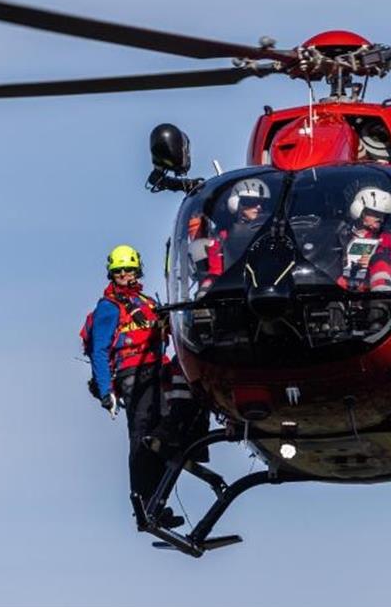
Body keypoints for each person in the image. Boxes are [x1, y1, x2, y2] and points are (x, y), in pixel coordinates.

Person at [86, 244, 185, 530]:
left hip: (158, 371)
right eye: (119, 272)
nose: (125, 275)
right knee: (142, 435)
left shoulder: (147, 302)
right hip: (134, 375)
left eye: (129, 270)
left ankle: (158, 502)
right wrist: (106, 391)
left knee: (169, 434)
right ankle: (144, 502)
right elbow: (99, 350)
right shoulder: (109, 307)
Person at [202, 178, 272, 290]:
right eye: (251, 201)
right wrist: (204, 290)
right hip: (238, 290)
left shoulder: (273, 229)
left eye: (262, 202)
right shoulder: (223, 236)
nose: (258, 207)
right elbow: (215, 272)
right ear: (236, 203)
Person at [337, 187, 391, 291]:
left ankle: (381, 295)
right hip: (343, 285)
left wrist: (372, 261)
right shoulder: (342, 233)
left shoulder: (386, 238)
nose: (380, 219)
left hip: (371, 289)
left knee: (380, 260)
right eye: (375, 214)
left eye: (382, 215)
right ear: (359, 211)